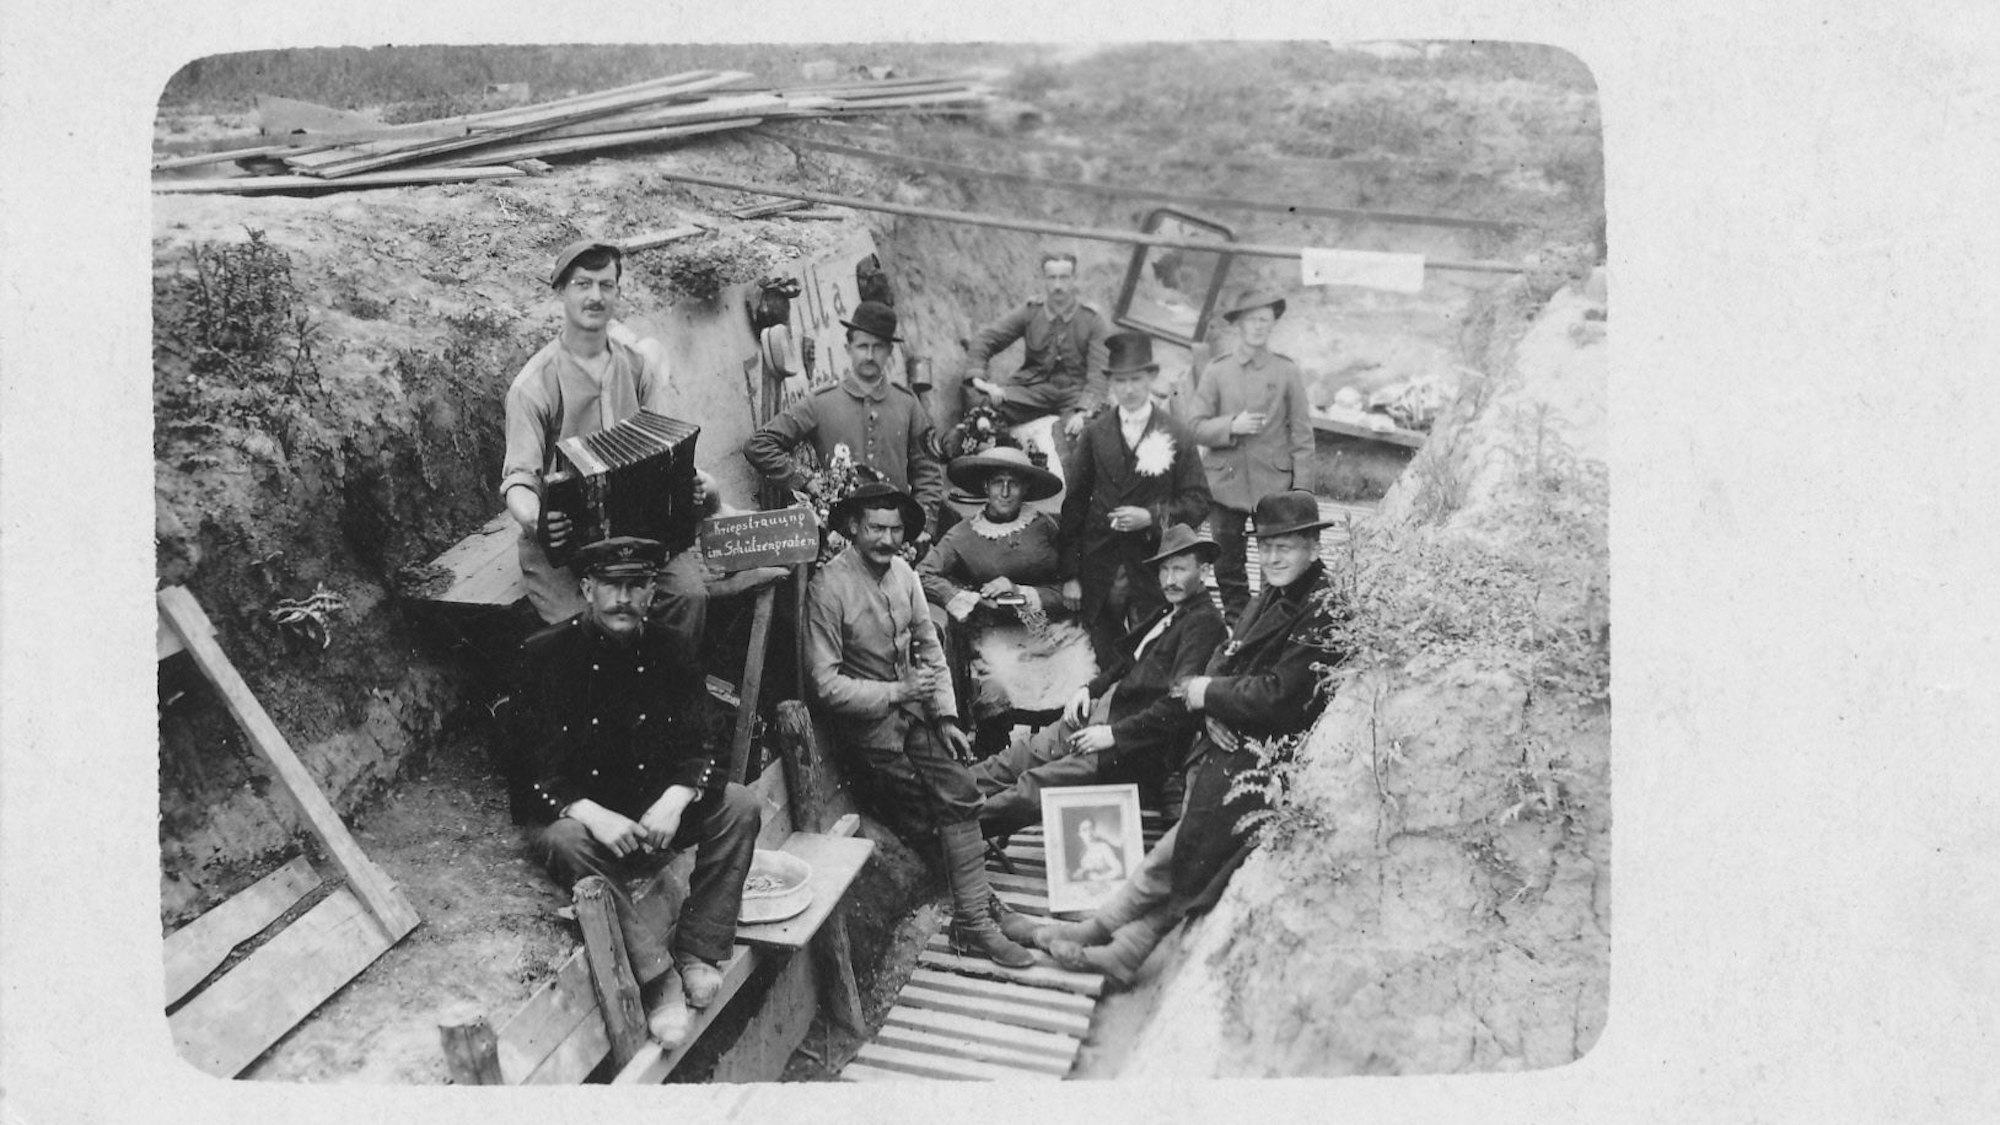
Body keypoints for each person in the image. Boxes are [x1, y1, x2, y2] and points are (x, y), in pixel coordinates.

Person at [1024, 490, 1343, 986]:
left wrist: (1207, 695)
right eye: (1266, 547)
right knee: (1190, 844)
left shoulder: (1320, 606)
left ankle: (1104, 931)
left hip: (1266, 753)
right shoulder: (1275, 592)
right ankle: (1124, 947)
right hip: (1230, 733)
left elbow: (1281, 694)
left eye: (1286, 546)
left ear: (1313, 547)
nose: (1273, 558)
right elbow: (1226, 656)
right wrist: (1210, 703)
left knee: (1190, 846)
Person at [509, 536, 762, 1047]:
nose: (622, 599)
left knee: (740, 805)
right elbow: (526, 771)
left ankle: (699, 949)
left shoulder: (672, 648)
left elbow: (704, 741)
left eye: (635, 586)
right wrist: (590, 813)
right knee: (562, 840)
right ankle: (658, 978)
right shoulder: (545, 656)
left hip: (650, 816)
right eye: (611, 585)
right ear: (587, 589)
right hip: (588, 821)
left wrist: (677, 796)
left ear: (651, 592)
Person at [804, 482, 1035, 967]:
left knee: (960, 790)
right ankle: (980, 912)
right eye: (875, 528)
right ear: (853, 528)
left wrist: (946, 716)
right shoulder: (829, 587)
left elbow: (929, 648)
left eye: (895, 530)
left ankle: (975, 916)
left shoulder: (905, 574)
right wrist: (895, 692)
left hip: (916, 717)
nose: (886, 540)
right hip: (867, 735)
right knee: (927, 813)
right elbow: (825, 685)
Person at [500, 239, 718, 632]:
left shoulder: (638, 367)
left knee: (689, 597)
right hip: (567, 543)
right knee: (580, 629)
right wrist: (538, 519)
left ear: (618, 292)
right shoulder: (533, 386)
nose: (595, 296)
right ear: (561, 291)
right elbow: (518, 481)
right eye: (582, 284)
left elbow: (665, 445)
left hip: (638, 527)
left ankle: (670, 674)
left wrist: (692, 482)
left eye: (606, 285)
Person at [970, 523, 1226, 837]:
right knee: (1018, 758)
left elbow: (1179, 703)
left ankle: (951, 832)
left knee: (1034, 786)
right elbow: (1126, 665)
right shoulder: (1169, 612)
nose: (1170, 579)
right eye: (1164, 569)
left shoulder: (1204, 623)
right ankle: (939, 795)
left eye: (1180, 569)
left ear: (1204, 572)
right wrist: (1088, 689)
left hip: (1131, 746)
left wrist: (1114, 735)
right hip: (1100, 713)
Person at [917, 445, 1087, 751]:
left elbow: (1069, 586)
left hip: (1042, 623)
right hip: (996, 630)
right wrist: (970, 599)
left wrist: (1020, 592)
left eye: (1014, 483)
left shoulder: (1044, 527)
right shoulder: (963, 534)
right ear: (985, 486)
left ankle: (1060, 757)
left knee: (1077, 675)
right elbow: (925, 572)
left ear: (1026, 488)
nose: (1005, 492)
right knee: (997, 687)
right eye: (998, 482)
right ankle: (995, 759)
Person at [1059, 330, 1212, 665]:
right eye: (1120, 381)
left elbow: (1199, 500)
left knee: (1151, 659)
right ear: (1111, 382)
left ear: (1151, 378)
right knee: (1103, 659)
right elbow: (1074, 505)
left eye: (1136, 379)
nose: (1128, 389)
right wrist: (1070, 575)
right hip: (1100, 568)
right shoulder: (1095, 433)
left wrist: (1151, 518)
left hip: (1152, 568)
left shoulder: (1176, 433)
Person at [745, 300, 948, 536]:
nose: (869, 355)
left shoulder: (908, 404)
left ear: (890, 351)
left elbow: (928, 472)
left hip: (894, 534)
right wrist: (803, 480)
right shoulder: (821, 402)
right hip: (839, 532)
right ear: (848, 348)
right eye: (862, 346)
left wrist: (923, 527)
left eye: (878, 347)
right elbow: (760, 445)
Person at [1186, 289, 1315, 623]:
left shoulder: (1286, 371)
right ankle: (1237, 624)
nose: (1259, 326)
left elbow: (1302, 435)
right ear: (1239, 324)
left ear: (1272, 325)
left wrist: (1302, 492)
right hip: (1224, 486)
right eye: (1252, 319)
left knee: (1276, 563)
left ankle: (1268, 625)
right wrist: (1231, 425)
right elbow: (1194, 426)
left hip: (1273, 486)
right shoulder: (1218, 371)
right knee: (1227, 564)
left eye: (1265, 320)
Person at [962, 251, 1111, 483]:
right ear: (1044, 279)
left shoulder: (1091, 320)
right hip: (1034, 389)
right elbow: (987, 339)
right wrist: (980, 379)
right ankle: (999, 468)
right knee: (982, 405)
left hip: (1074, 393)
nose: (1058, 285)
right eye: (1052, 278)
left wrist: (1083, 410)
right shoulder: (1032, 312)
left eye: (1064, 277)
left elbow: (1099, 373)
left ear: (1074, 279)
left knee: (1084, 433)